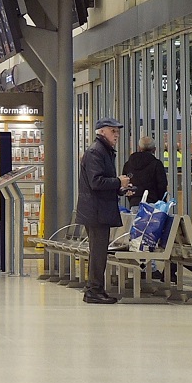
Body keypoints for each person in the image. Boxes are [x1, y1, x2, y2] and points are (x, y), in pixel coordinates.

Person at [77, 118, 130, 305]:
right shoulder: (96, 152)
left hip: (99, 209)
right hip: (96, 211)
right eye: (112, 131)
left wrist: (120, 188)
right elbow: (96, 182)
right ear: (101, 132)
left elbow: (100, 182)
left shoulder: (103, 152)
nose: (116, 135)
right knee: (98, 253)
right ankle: (93, 290)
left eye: (117, 131)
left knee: (98, 252)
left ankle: (95, 288)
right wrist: (118, 182)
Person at [121, 136, 167, 206]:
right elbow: (162, 185)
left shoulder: (128, 164)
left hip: (134, 202)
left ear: (139, 148)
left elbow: (125, 184)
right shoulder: (157, 164)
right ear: (154, 149)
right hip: (153, 203)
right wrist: (161, 201)